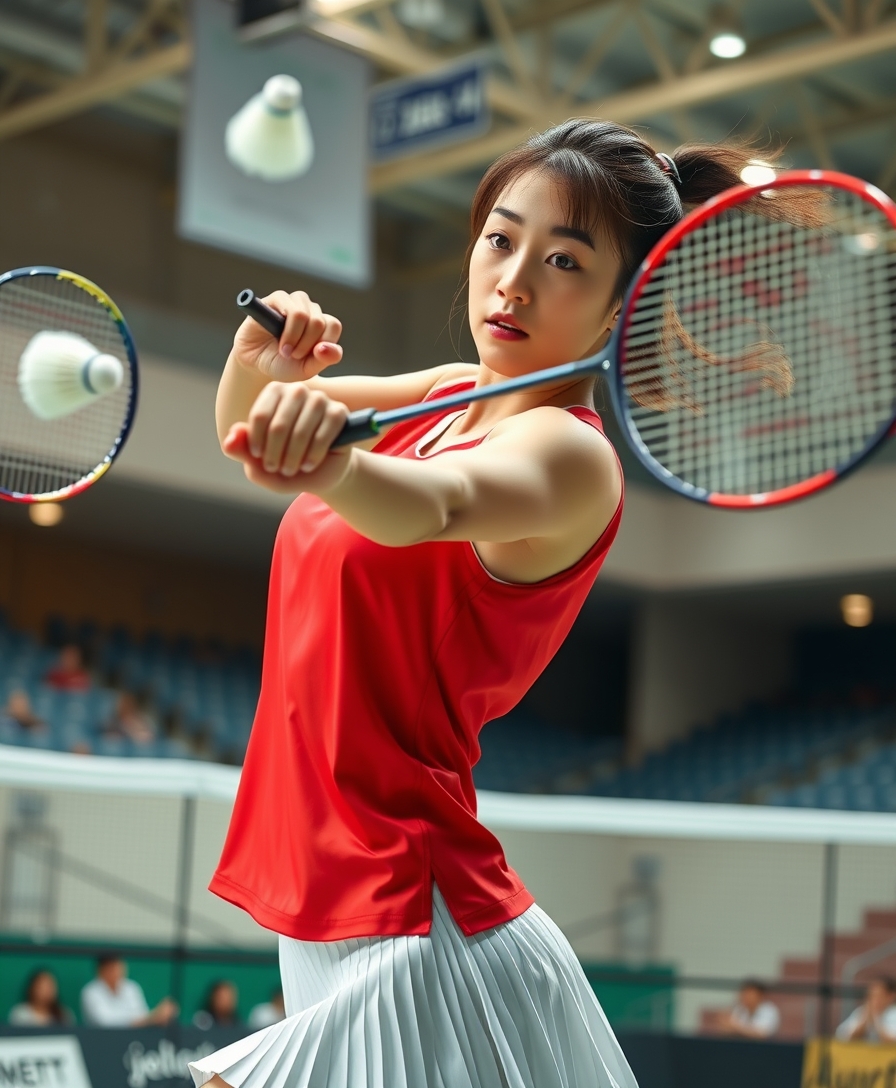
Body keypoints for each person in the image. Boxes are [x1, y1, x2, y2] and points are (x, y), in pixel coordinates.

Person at [189, 120, 810, 1088]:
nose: (514, 280)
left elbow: (428, 506)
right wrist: (257, 366)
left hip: (418, 917)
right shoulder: (443, 392)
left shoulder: (568, 456)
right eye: (499, 238)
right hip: (339, 894)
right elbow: (245, 428)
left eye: (563, 259)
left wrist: (331, 460)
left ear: (622, 303)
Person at [80, 953, 178, 1027]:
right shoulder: (90, 992)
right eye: (113, 968)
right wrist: (152, 1017)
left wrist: (158, 1016)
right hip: (99, 1043)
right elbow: (105, 1022)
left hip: (134, 1041)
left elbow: (141, 1015)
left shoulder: (131, 987)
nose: (118, 971)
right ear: (102, 970)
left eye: (120, 967)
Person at [836, 976, 896, 1042]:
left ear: (891, 996)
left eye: (879, 995)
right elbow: (843, 1037)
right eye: (871, 995)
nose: (874, 1000)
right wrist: (864, 1020)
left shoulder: (893, 1013)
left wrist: (875, 1019)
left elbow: (892, 1040)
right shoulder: (862, 1011)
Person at [8, 968, 73, 1026]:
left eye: (50, 986)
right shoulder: (20, 1013)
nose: (47, 991)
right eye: (42, 987)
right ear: (32, 988)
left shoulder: (63, 1014)